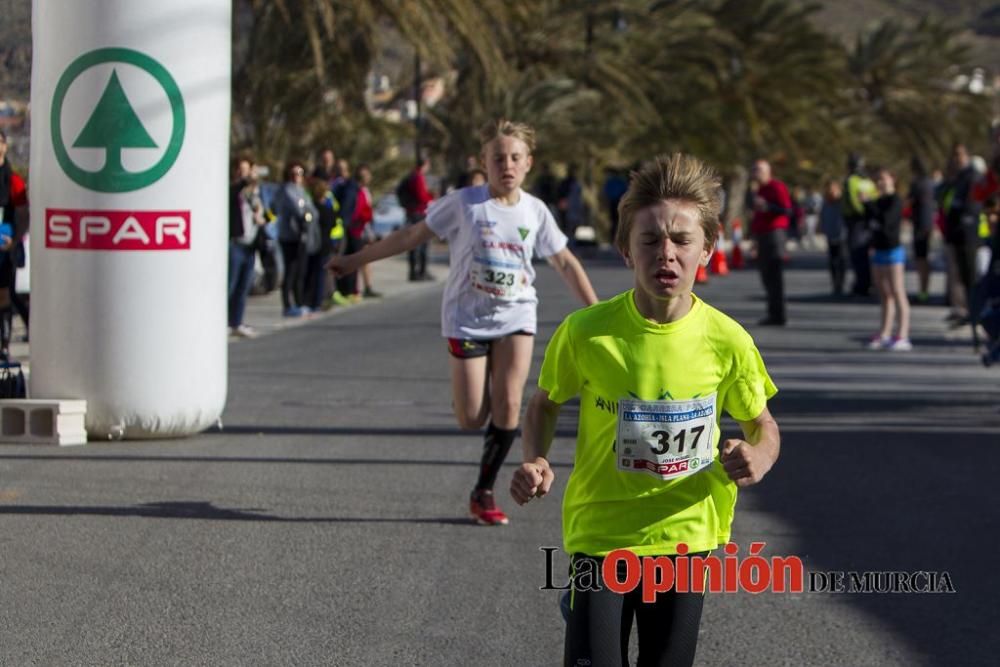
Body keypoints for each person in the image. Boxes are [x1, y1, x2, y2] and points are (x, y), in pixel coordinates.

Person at [511, 153, 780, 666]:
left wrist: (761, 456)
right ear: (625, 250)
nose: (667, 254)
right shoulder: (587, 332)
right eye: (650, 240)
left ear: (708, 249)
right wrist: (536, 459)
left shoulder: (728, 341)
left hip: (685, 538)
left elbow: (761, 423)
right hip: (601, 533)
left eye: (682, 240)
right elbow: (544, 404)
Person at [328, 118, 599, 525]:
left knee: (510, 404)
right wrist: (353, 261)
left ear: (528, 163)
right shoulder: (465, 204)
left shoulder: (535, 211)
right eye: (498, 158)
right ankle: (471, 395)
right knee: (472, 417)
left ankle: (484, 492)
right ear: (484, 163)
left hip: (516, 314)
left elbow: (565, 261)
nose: (506, 165)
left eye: (515, 158)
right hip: (467, 320)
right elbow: (409, 237)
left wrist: (598, 314)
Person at [865, 169, 911, 351]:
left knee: (898, 291)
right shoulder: (878, 201)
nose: (880, 183)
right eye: (878, 180)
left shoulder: (895, 200)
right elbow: (870, 222)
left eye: (883, 179)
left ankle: (903, 334)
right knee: (884, 293)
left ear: (892, 179)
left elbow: (886, 221)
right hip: (879, 249)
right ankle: (884, 332)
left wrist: (869, 205)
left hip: (893, 251)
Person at [273, 161, 320, 317]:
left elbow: (311, 211)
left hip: (302, 236)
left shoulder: (301, 191)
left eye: (299, 174)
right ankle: (288, 305)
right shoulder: (287, 191)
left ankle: (299, 302)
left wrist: (308, 214)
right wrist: (307, 213)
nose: (296, 177)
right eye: (293, 174)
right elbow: (300, 210)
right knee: (291, 271)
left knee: (300, 271)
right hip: (290, 236)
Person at [747, 159, 791, 325]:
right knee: (765, 274)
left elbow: (787, 210)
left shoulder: (776, 187)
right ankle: (773, 312)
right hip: (761, 234)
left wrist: (769, 207)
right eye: (754, 170)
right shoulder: (756, 190)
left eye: (758, 170)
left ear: (767, 172)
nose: (755, 173)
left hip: (774, 234)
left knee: (775, 275)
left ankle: (779, 314)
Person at [228, 155, 265, 337]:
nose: (243, 173)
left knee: (243, 287)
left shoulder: (255, 193)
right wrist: (246, 179)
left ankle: (237, 322)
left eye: (246, 169)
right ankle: (225, 322)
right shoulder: (233, 190)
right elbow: (235, 190)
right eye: (240, 170)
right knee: (230, 286)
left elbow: (264, 212)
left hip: (251, 245)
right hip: (235, 243)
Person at [0, 130, 28, 358]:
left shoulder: (14, 180)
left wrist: (15, 239)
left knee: (5, 295)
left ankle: (5, 344)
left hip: (5, 247)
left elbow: (22, 213)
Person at [843, 153, 877, 297]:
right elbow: (875, 197)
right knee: (865, 252)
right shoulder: (868, 181)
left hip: (856, 221)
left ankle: (862, 283)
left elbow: (852, 200)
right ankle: (867, 281)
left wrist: (860, 212)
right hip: (868, 220)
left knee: (857, 252)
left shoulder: (851, 180)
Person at [399, 157, 435, 281]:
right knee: (422, 243)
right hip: (419, 213)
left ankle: (415, 271)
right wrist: (431, 197)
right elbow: (421, 196)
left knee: (414, 243)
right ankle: (420, 271)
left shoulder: (412, 176)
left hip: (412, 212)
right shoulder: (418, 177)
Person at [908, 157, 936, 304]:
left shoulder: (917, 184)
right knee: (923, 259)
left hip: (920, 224)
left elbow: (910, 202)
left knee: (921, 260)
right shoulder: (930, 183)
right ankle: (924, 290)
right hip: (928, 223)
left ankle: (923, 291)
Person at [819, 179, 847, 296]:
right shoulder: (826, 203)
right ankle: (835, 283)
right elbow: (823, 217)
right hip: (830, 235)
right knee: (832, 261)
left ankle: (840, 283)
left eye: (834, 189)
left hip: (841, 235)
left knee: (841, 260)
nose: (832, 192)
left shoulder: (842, 203)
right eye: (830, 189)